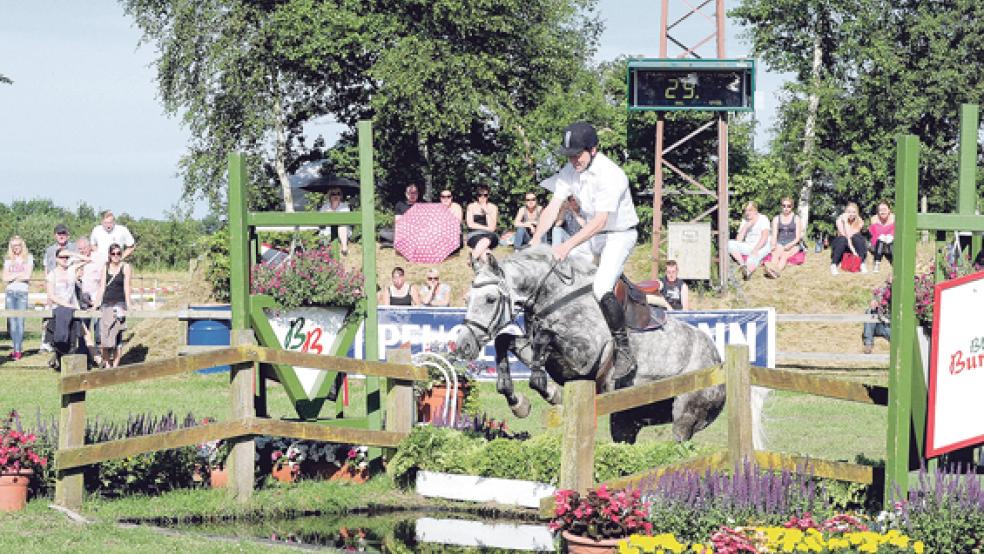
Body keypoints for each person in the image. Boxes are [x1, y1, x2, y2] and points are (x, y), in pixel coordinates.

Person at [530, 122, 640, 381]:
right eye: (569, 154)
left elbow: (600, 221)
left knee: (601, 287)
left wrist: (567, 245)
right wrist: (535, 241)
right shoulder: (569, 170)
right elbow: (552, 206)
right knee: (559, 270)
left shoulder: (612, 174)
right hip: (593, 235)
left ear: (593, 149)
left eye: (577, 154)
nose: (572, 160)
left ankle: (624, 350)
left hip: (619, 235)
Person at [94, 243, 132, 368]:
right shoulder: (105, 267)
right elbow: (102, 287)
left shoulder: (125, 267)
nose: (116, 256)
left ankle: (115, 366)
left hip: (119, 303)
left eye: (118, 253)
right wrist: (96, 304)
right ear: (109, 255)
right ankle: (107, 365)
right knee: (105, 336)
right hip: (106, 303)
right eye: (113, 253)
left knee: (117, 335)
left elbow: (127, 287)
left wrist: (129, 304)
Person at [41, 223, 77, 352]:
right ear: (55, 235)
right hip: (53, 284)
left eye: (64, 233)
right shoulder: (50, 250)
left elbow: (79, 265)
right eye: (59, 234)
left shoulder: (73, 248)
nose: (61, 236)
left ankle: (66, 344)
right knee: (48, 317)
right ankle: (45, 343)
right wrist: (48, 291)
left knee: (70, 317)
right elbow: (46, 268)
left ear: (68, 235)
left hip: (68, 285)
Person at [45, 246, 82, 369]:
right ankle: (59, 361)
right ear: (56, 259)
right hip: (58, 308)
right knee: (60, 337)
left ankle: (67, 365)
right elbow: (51, 295)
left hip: (72, 309)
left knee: (72, 338)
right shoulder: (52, 274)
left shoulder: (72, 270)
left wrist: (71, 253)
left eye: (66, 257)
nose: (64, 259)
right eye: (62, 257)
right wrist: (65, 304)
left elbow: (88, 260)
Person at [3, 236, 33, 360]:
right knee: (12, 323)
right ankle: (16, 348)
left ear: (22, 245)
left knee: (20, 322)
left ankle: (17, 350)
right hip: (10, 293)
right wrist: (18, 275)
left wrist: (13, 276)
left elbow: (27, 275)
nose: (16, 248)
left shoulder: (28, 258)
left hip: (22, 293)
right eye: (13, 246)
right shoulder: (8, 259)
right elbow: (4, 278)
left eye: (18, 245)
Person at [75, 237, 104, 364]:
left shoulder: (98, 259)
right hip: (81, 299)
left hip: (96, 298)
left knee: (98, 330)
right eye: (80, 249)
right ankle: (84, 358)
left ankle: (99, 356)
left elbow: (101, 280)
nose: (82, 251)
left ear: (89, 247)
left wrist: (96, 300)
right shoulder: (75, 260)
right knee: (83, 329)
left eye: (84, 248)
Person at [727, 202, 772, 280]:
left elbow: (764, 237)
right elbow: (738, 240)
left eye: (750, 210)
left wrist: (756, 249)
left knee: (752, 258)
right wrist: (746, 226)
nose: (747, 213)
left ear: (756, 211)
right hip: (749, 245)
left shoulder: (763, 218)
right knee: (729, 244)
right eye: (746, 210)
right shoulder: (745, 220)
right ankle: (742, 265)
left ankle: (747, 273)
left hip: (763, 245)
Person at [764, 197, 803, 279]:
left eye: (788, 206)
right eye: (784, 206)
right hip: (780, 242)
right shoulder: (776, 218)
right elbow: (774, 235)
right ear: (781, 206)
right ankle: (772, 270)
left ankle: (776, 271)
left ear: (792, 207)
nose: (786, 208)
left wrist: (790, 245)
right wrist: (773, 245)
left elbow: (798, 238)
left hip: (793, 243)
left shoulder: (796, 218)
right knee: (775, 255)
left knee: (784, 255)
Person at [465, 184, 499, 264]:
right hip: (475, 234)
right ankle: (491, 268)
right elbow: (470, 224)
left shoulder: (493, 207)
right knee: (485, 251)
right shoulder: (471, 206)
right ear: (477, 196)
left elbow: (493, 227)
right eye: (480, 195)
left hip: (490, 235)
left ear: (488, 196)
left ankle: (472, 258)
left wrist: (486, 211)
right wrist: (487, 228)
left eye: (485, 195)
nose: (483, 197)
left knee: (487, 239)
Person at [830, 202, 867, 275]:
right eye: (849, 212)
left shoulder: (860, 221)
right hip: (842, 245)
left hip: (853, 244)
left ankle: (861, 263)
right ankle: (834, 264)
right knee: (842, 239)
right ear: (845, 212)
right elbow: (846, 236)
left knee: (858, 237)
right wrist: (845, 222)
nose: (851, 214)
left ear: (857, 213)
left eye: (854, 212)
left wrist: (853, 250)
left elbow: (852, 235)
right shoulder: (839, 220)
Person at [863, 275, 892, 354]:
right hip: (880, 324)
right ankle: (868, 343)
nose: (889, 286)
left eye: (891, 284)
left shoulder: (901, 295)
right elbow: (875, 300)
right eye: (888, 283)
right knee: (869, 311)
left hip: (892, 327)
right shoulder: (882, 291)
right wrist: (874, 302)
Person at [319, 187, 351, 255]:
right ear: (330, 196)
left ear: (341, 196)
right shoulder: (325, 206)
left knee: (342, 225)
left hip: (342, 230)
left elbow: (345, 219)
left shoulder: (345, 206)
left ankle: (344, 247)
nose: (336, 196)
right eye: (333, 194)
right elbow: (320, 219)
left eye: (338, 194)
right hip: (327, 230)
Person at [869, 201, 895, 272]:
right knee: (881, 240)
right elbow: (874, 234)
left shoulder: (894, 218)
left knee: (890, 241)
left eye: (884, 210)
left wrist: (890, 236)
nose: (882, 212)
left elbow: (895, 231)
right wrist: (882, 237)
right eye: (880, 210)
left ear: (889, 210)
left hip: (890, 242)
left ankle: (895, 263)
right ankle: (877, 264)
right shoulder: (874, 219)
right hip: (877, 243)